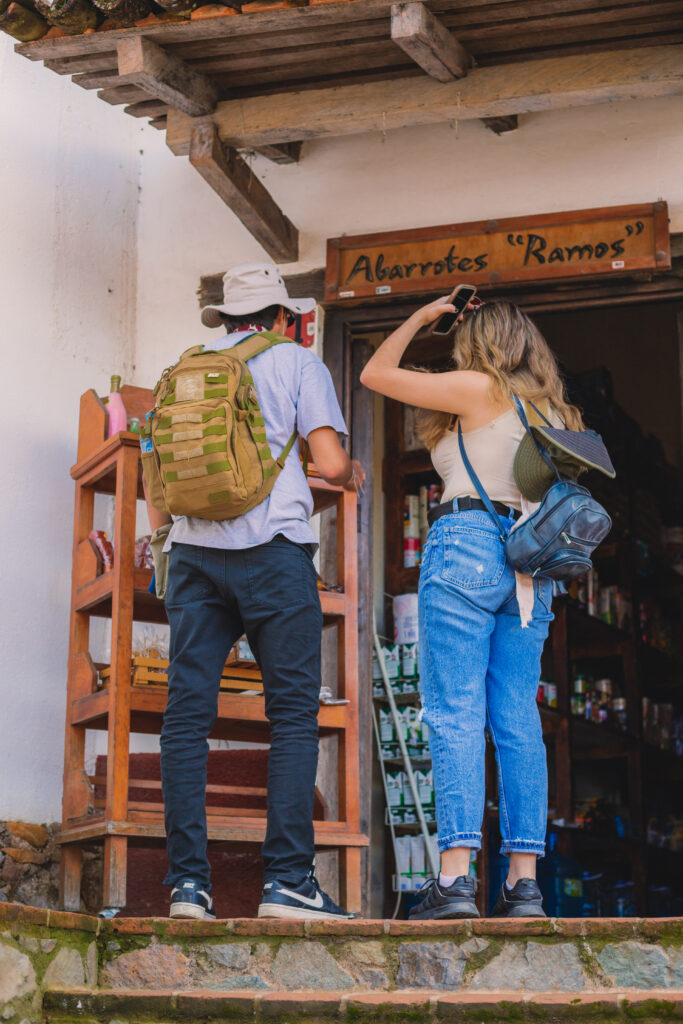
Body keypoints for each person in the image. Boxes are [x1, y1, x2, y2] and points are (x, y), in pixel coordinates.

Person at [145, 263, 365, 921]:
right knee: (293, 715)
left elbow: (159, 475)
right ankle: (288, 883)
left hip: (191, 557)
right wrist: (350, 473)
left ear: (226, 319)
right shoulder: (298, 364)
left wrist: (169, 543)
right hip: (272, 557)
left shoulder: (180, 369)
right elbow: (328, 464)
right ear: (281, 316)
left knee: (186, 718)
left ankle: (187, 885)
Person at [360, 296, 583, 919]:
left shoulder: (479, 387)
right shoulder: (552, 408)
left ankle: (455, 881)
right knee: (517, 720)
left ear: (476, 341)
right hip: (532, 566)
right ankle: (524, 886)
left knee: (454, 713)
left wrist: (420, 319)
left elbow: (374, 374)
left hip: (468, 546)